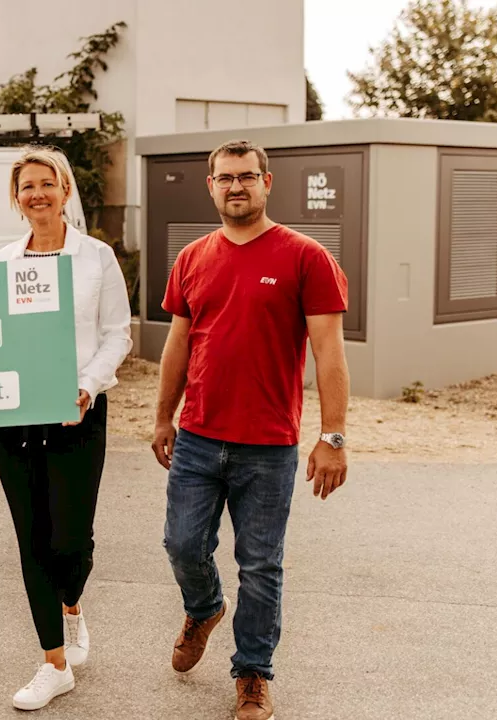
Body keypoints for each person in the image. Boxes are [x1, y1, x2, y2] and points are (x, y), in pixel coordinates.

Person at [153, 139, 350, 720]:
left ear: (267, 182)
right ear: (209, 186)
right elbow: (178, 344)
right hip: (197, 437)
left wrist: (333, 435)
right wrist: (164, 415)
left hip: (268, 445)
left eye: (246, 177)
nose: (235, 187)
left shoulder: (306, 256)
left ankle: (253, 673)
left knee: (261, 564)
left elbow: (329, 353)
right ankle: (205, 606)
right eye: (224, 178)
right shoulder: (191, 258)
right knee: (182, 545)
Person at [0, 145, 132, 711]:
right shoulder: (2, 260)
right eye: (27, 186)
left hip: (77, 413)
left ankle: (72, 607)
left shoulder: (95, 257)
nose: (38, 194)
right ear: (16, 197)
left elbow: (117, 333)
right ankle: (53, 662)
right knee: (31, 537)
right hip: (14, 416)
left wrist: (88, 385)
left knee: (71, 539)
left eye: (48, 183)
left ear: (65, 191)